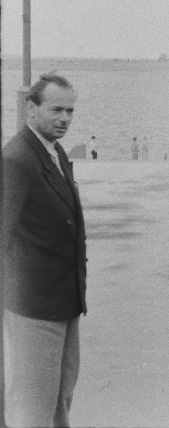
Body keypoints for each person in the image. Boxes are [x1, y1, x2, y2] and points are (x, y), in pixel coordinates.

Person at [1, 75, 87, 427]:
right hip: (34, 307)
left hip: (64, 302)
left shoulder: (53, 150)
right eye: (56, 109)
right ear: (31, 108)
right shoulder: (16, 160)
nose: (65, 118)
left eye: (70, 110)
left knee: (59, 398)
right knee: (32, 407)